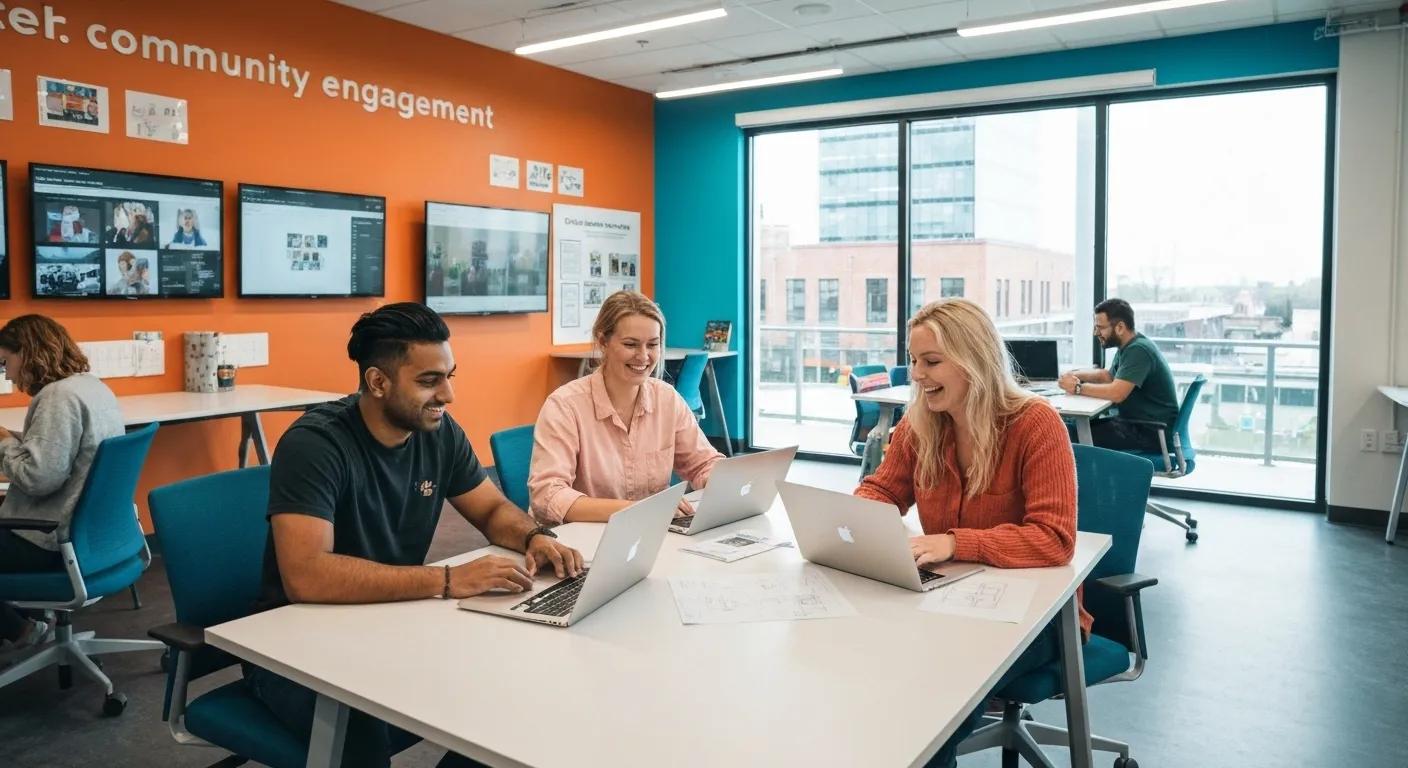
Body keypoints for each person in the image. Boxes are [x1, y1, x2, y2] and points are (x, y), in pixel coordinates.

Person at [246, 302, 583, 768]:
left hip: (389, 622)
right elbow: (307, 576)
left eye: (449, 376)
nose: (447, 395)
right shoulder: (315, 445)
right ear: (378, 382)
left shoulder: (437, 431)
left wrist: (534, 538)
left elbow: (489, 508)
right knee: (362, 726)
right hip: (292, 647)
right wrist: (445, 581)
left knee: (509, 689)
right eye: (429, 381)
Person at [854, 298, 1081, 768]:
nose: (917, 374)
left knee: (936, 683)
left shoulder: (1036, 424)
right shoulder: (921, 425)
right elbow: (882, 490)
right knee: (877, 658)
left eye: (932, 362)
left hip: (1038, 618)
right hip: (947, 601)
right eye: (915, 361)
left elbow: (1055, 539)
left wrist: (957, 542)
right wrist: (856, 520)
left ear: (974, 359)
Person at [529, 290, 724, 524]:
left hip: (649, 534)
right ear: (603, 342)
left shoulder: (667, 399)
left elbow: (703, 463)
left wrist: (722, 480)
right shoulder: (565, 406)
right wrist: (637, 509)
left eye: (653, 345)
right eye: (631, 344)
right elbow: (548, 496)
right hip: (583, 541)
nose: (643, 356)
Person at [0, 316, 124, 649]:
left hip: (49, 541)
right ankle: (29, 622)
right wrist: (17, 441)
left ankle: (20, 630)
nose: (8, 374)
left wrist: (3, 442)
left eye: (6, 362)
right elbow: (57, 454)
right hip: (95, 537)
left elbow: (39, 479)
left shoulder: (57, 398)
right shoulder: (90, 387)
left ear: (26, 353)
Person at [1058, 297, 1179, 452]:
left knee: (1067, 433)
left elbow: (1117, 393)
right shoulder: (1128, 346)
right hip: (1139, 425)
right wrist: (1073, 374)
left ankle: (1080, 475)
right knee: (1070, 428)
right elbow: (1108, 377)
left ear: (1120, 327)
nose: (1096, 333)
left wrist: (1077, 388)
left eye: (1100, 327)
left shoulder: (1139, 350)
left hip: (1148, 433)